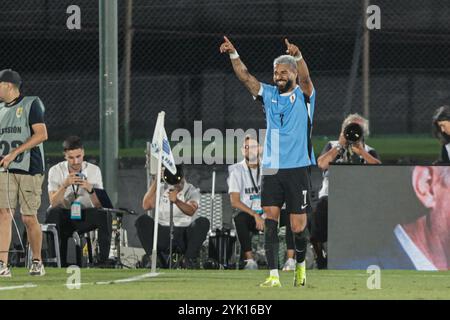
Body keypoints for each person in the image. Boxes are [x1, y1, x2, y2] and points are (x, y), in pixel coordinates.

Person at [220, 36, 315, 287]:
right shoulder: (269, 94)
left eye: (283, 71)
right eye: (275, 72)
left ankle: (301, 267)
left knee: (297, 227)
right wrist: (234, 54)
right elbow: (246, 78)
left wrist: (298, 55)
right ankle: (273, 275)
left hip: (297, 169)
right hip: (272, 169)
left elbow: (306, 79)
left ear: (293, 72)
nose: (278, 76)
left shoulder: (305, 96)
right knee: (270, 221)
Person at [315, 114, 381, 268]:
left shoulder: (369, 151)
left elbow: (380, 170)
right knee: (320, 211)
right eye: (350, 128)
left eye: (357, 129)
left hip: (358, 197)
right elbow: (322, 164)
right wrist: (340, 146)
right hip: (331, 196)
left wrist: (361, 152)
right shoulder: (332, 145)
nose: (353, 133)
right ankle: (322, 255)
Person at [0, 69, 48, 277]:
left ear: (8, 85)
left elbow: (42, 134)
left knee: (28, 218)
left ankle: (37, 260)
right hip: (5, 169)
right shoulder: (0, 109)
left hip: (30, 168)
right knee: (3, 215)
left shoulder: (31, 104)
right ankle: (2, 264)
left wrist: (14, 153)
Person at [228, 135, 296, 270]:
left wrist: (270, 213)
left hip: (271, 212)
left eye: (253, 147)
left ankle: (290, 260)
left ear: (259, 149)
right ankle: (250, 261)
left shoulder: (270, 167)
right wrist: (255, 215)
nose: (250, 150)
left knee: (291, 215)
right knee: (239, 218)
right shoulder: (236, 170)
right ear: (242, 151)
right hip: (251, 215)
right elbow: (234, 201)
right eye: (246, 147)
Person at [45, 136, 111, 267]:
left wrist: (90, 189)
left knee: (105, 215)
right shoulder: (55, 170)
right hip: (64, 215)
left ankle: (103, 261)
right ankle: (57, 262)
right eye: (71, 157)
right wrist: (64, 186)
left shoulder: (94, 170)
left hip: (85, 214)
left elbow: (100, 205)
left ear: (83, 153)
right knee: (53, 213)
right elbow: (53, 202)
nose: (75, 161)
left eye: (78, 156)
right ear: (65, 156)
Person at [135, 165, 209, 269]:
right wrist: (157, 181)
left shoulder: (192, 191)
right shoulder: (162, 188)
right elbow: (146, 205)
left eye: (178, 179)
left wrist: (177, 201)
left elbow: (191, 210)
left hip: (184, 234)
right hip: (163, 231)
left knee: (202, 222)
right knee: (142, 221)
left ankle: (188, 259)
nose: (176, 183)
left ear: (183, 177)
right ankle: (154, 258)